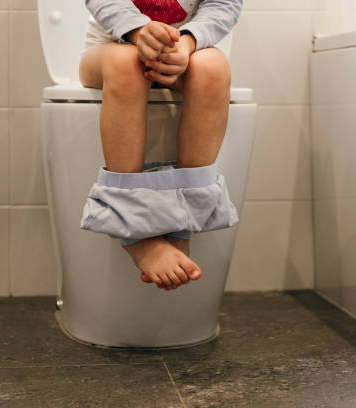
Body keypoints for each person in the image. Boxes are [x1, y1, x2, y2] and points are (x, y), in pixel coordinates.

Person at [78, 0, 243, 291]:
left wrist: (188, 43)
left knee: (214, 69)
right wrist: (139, 31)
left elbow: (223, 4)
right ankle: (132, 228)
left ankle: (183, 220)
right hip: (112, 47)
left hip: (189, 51)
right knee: (126, 64)